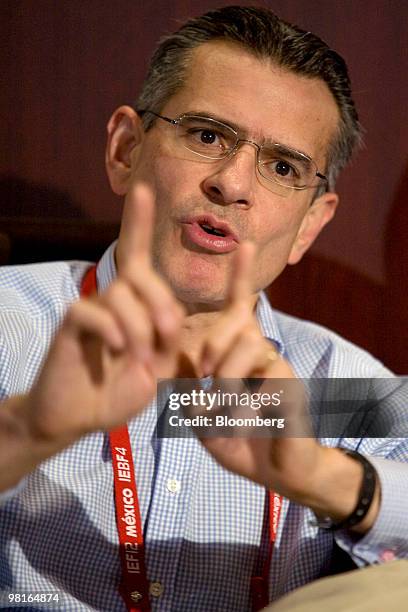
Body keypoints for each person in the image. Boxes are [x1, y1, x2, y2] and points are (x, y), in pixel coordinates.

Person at [0, 5, 406, 611]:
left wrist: (325, 478)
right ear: (125, 150)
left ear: (309, 228)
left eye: (282, 166)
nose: (233, 183)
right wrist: (27, 433)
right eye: (207, 135)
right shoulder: (11, 325)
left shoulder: (342, 382)